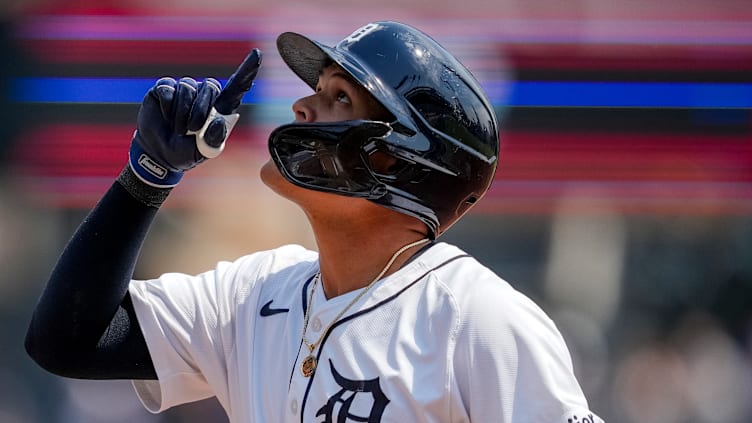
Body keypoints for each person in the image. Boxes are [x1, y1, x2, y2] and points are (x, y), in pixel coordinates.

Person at [25, 21, 603, 423]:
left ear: (391, 155)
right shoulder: (256, 293)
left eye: (339, 98)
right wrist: (147, 177)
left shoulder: (478, 320)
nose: (303, 107)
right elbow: (67, 341)